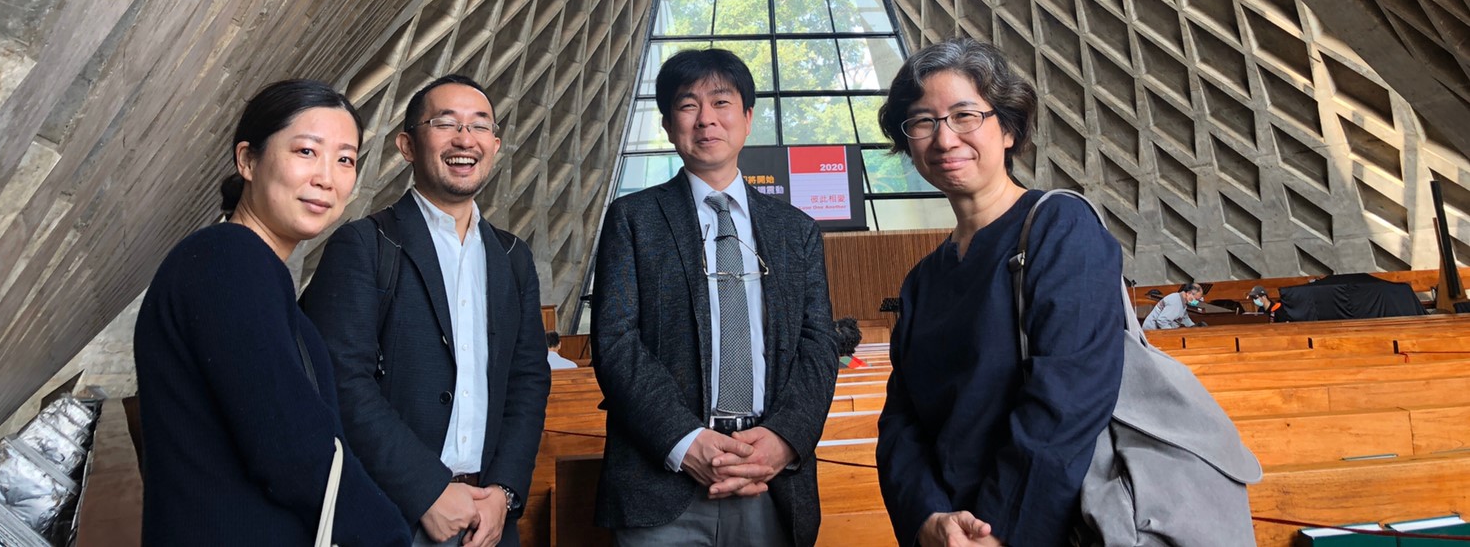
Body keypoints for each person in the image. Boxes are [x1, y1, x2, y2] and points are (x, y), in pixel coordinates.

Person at [134, 79, 410, 547]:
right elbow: (290, 444)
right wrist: (389, 536)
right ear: (247, 160)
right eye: (306, 151)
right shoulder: (227, 261)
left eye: (345, 159)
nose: (327, 176)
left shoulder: (247, 267)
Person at [874, 39, 1124, 547]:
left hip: (1035, 524)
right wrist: (927, 517)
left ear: (1008, 128)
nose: (944, 140)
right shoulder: (923, 278)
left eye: (965, 116)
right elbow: (901, 419)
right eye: (923, 121)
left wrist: (999, 532)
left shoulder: (1060, 226)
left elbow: (1067, 401)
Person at [591, 48, 839, 547]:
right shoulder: (633, 218)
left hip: (769, 480)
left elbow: (818, 345)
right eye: (688, 105)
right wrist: (687, 443)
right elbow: (616, 343)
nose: (706, 119)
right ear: (668, 125)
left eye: (721, 102)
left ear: (747, 118)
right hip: (661, 482)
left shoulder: (796, 231)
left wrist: (783, 440)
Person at [303, 75, 549, 547]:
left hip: (490, 518)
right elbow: (342, 381)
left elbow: (528, 379)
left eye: (479, 126)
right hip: (392, 511)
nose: (464, 139)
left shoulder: (513, 257)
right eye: (445, 123)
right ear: (407, 145)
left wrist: (505, 491)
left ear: (494, 145)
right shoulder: (365, 245)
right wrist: (427, 492)